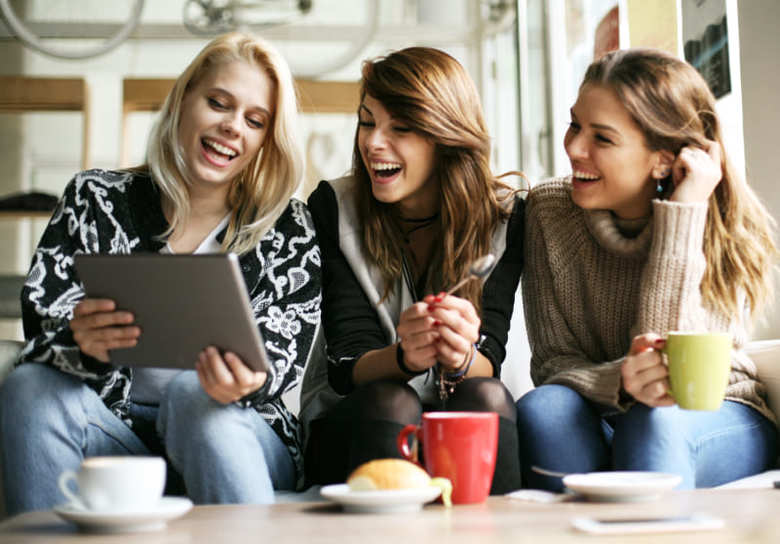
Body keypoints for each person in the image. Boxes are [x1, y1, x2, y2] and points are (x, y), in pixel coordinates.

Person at [0, 32, 321, 514]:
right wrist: (76, 338)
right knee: (28, 385)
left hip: (234, 435)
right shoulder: (95, 199)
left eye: (255, 121)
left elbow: (284, 350)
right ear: (185, 99)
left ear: (265, 141)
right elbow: (43, 316)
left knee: (196, 398)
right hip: (116, 437)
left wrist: (245, 380)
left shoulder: (289, 227)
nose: (233, 127)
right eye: (218, 102)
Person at [515, 48, 778, 490]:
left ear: (662, 158)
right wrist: (620, 380)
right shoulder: (549, 211)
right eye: (575, 125)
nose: (575, 148)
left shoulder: (714, 219)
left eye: (602, 138)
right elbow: (553, 362)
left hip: (715, 413)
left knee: (652, 422)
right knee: (542, 409)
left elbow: (672, 374)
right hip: (601, 408)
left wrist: (683, 213)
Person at [299, 46, 524, 493]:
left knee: (486, 398)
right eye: (367, 122)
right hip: (356, 418)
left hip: (455, 404)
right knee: (392, 399)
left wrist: (460, 358)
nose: (373, 142)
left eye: (400, 127)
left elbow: (488, 362)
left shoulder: (505, 218)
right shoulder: (334, 207)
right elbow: (346, 365)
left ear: (445, 136)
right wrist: (405, 356)